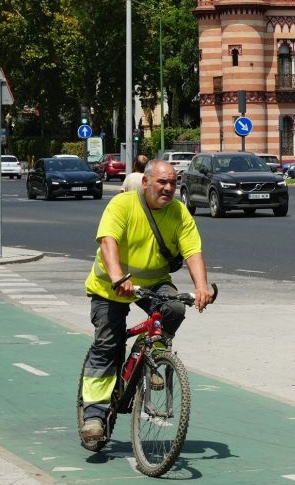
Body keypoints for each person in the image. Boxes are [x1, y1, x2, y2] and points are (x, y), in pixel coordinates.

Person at [79, 160, 215, 443]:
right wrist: (118, 277)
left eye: (173, 183)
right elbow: (108, 242)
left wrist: (201, 286)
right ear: (145, 183)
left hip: (153, 283)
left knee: (175, 308)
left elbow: (193, 251)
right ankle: (94, 414)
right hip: (110, 286)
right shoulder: (122, 206)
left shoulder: (178, 212)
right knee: (108, 344)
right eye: (162, 182)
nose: (168, 188)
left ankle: (151, 353)